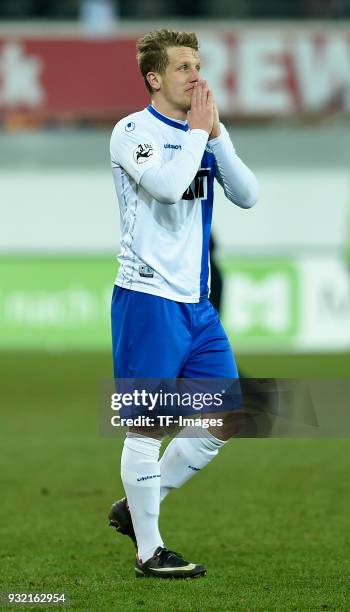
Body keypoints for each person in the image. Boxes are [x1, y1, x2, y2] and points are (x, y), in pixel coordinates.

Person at [108, 29, 258, 579]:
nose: (196, 76)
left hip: (197, 304)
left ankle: (138, 505)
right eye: (183, 68)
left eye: (198, 65)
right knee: (147, 426)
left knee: (226, 416)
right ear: (155, 78)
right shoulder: (131, 133)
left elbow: (247, 194)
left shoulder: (204, 133)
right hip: (148, 298)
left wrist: (217, 137)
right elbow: (169, 187)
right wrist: (198, 133)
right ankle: (149, 552)